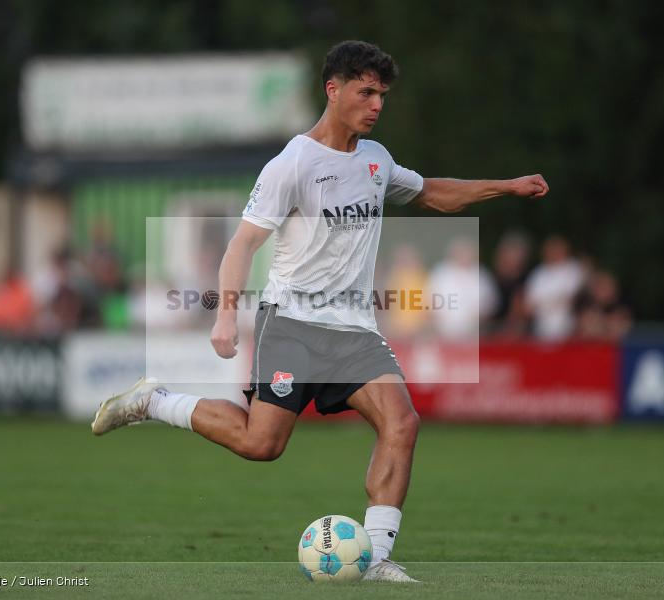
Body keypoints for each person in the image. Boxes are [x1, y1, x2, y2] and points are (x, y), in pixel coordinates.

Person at [91, 40, 548, 582]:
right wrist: (224, 315)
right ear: (333, 90)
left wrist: (506, 186)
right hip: (292, 326)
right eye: (366, 91)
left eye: (382, 95)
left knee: (402, 423)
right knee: (262, 445)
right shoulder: (294, 163)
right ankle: (154, 401)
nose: (377, 104)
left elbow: (430, 194)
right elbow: (241, 246)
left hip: (354, 331)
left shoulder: (376, 161)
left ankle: (375, 558)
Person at [427, 237, 498, 341]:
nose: (464, 256)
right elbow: (428, 302)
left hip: (473, 334)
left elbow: (489, 304)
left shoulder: (482, 275)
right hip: (443, 334)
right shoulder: (440, 273)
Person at [524, 235, 583, 341]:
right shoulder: (538, 273)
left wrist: (543, 304)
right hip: (540, 328)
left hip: (566, 327)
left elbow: (569, 298)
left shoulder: (573, 269)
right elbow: (529, 305)